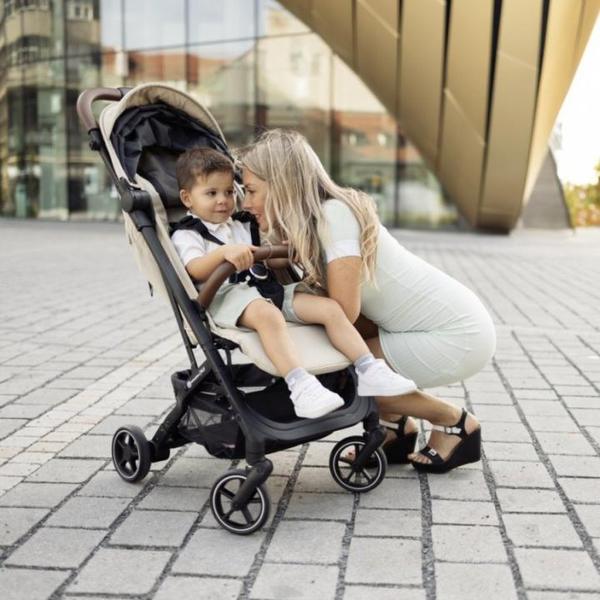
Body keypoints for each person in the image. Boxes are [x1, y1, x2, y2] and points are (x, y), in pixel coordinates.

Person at [238, 129, 497, 473]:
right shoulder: (315, 222)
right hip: (422, 328)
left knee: (351, 378)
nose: (246, 203)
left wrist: (286, 303)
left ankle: (456, 423)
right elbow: (357, 323)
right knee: (350, 361)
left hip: (458, 335)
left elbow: (344, 312)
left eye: (251, 190)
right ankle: (396, 429)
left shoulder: (334, 216)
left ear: (282, 185)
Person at [170, 147, 418, 420]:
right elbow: (194, 269)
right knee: (268, 315)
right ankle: (300, 385)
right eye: (211, 193)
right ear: (187, 198)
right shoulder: (188, 233)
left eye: (229, 192)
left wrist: (284, 252)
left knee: (329, 308)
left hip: (266, 290)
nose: (223, 200)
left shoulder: (242, 225)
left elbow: (268, 260)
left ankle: (369, 368)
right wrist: (223, 254)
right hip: (226, 297)